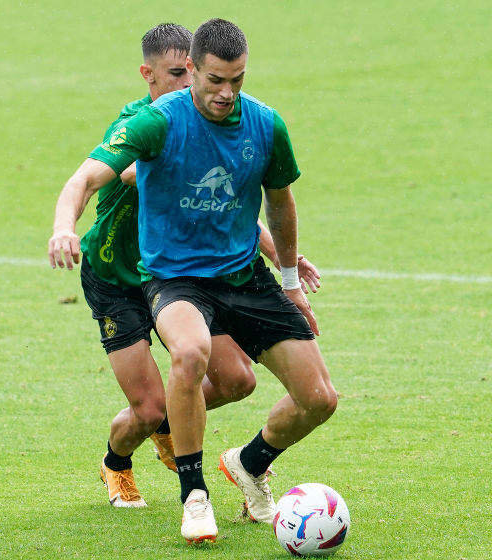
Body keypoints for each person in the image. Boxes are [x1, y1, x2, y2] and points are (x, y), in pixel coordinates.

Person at [49, 18, 337, 544]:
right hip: (163, 277)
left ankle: (249, 464)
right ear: (190, 72)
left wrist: (289, 276)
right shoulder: (154, 123)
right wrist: (63, 226)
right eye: (212, 81)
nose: (225, 93)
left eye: (237, 81)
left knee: (316, 398)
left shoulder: (266, 125)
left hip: (243, 276)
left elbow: (273, 201)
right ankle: (193, 493)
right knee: (184, 361)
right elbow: (86, 176)